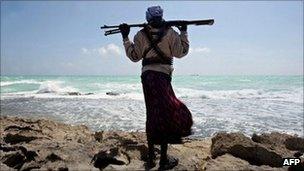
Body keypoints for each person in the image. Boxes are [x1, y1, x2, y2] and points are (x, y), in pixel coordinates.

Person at [119, 6, 193, 170]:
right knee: (166, 114)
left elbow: (134, 57)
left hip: (147, 78)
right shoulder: (171, 32)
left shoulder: (139, 35)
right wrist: (184, 32)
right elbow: (181, 52)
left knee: (152, 114)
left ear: (147, 18)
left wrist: (125, 37)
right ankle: (163, 160)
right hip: (162, 78)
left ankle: (152, 159)